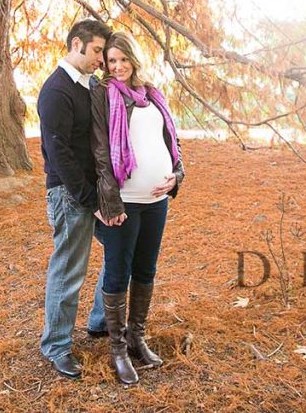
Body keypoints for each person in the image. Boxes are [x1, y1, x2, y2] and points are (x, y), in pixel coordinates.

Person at [90, 32, 184, 385]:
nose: (116, 67)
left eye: (122, 59)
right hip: (124, 202)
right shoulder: (103, 94)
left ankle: (136, 338)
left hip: (157, 200)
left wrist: (177, 175)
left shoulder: (153, 95)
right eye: (111, 61)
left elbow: (172, 142)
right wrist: (109, 201)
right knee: (117, 272)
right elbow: (100, 151)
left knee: (146, 269)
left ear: (133, 58)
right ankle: (116, 349)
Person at [37, 19, 113, 378]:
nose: (101, 58)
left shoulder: (88, 85)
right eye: (97, 50)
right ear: (77, 44)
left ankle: (100, 320)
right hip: (69, 194)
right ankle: (55, 346)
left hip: (95, 191)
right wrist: (89, 199)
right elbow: (59, 152)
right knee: (69, 271)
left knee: (118, 251)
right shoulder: (56, 90)